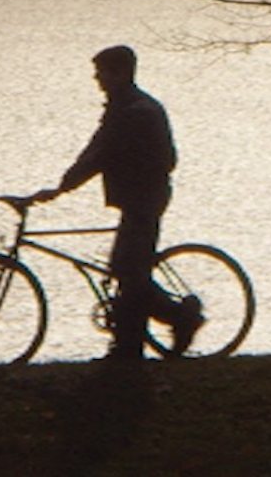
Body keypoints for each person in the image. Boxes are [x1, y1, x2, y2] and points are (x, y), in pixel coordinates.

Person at [34, 45, 202, 361]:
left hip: (144, 198)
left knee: (130, 272)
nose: (97, 79)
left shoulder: (134, 112)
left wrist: (63, 187)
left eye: (102, 73)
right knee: (126, 269)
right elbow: (96, 149)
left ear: (120, 73)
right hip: (138, 197)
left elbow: (101, 154)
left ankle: (175, 321)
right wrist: (63, 185)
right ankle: (131, 344)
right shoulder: (125, 108)